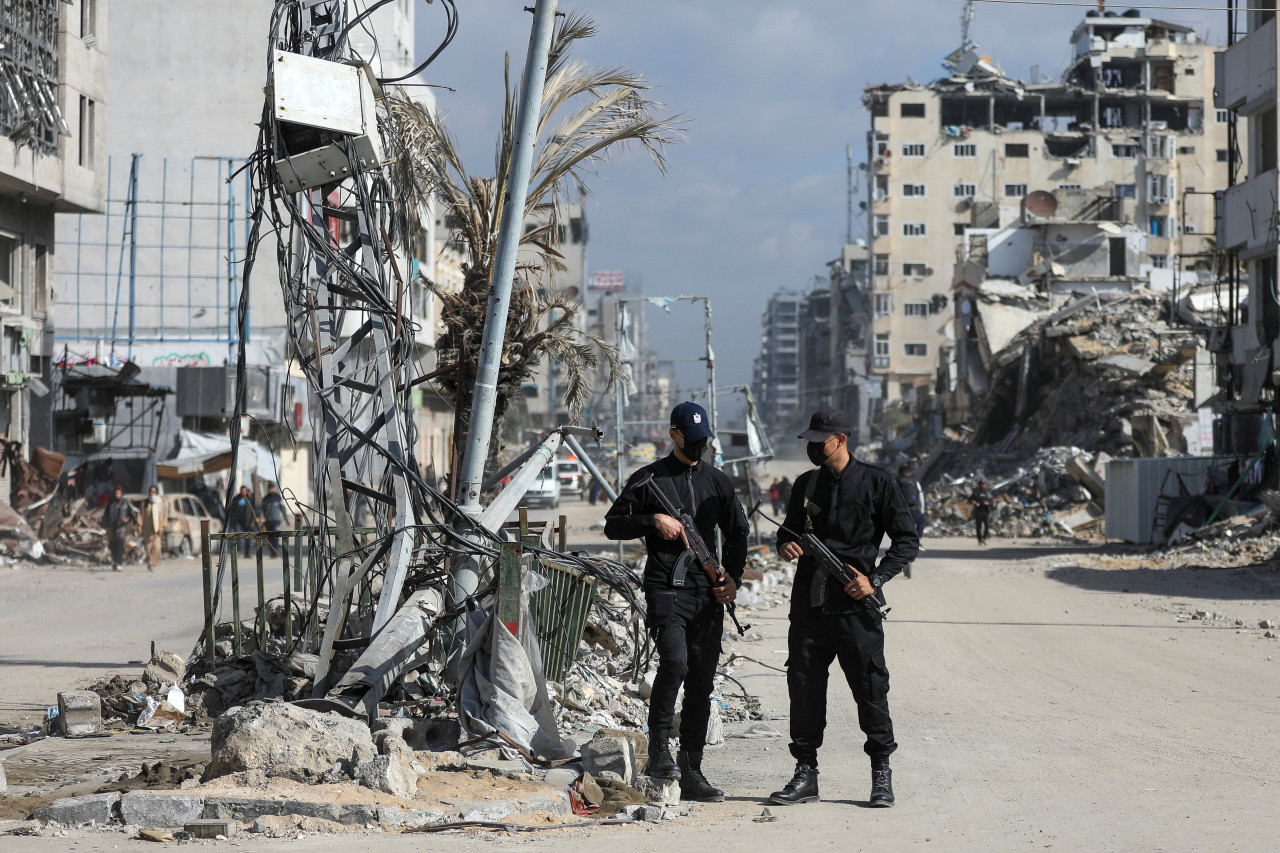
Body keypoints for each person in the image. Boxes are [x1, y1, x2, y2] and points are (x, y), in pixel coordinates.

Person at [768, 408, 919, 809]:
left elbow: (906, 541)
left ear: (841, 439)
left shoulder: (877, 482)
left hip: (855, 607)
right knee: (804, 689)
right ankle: (805, 773)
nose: (814, 448)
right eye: (810, 442)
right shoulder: (805, 484)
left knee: (870, 688)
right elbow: (787, 532)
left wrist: (876, 579)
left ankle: (881, 774)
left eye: (821, 441)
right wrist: (785, 545)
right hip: (809, 608)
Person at [605, 401, 749, 803]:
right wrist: (652, 520)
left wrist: (732, 578)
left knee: (702, 681)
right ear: (674, 435)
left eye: (705, 440)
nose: (700, 447)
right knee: (676, 663)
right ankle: (658, 753)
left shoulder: (718, 482)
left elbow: (738, 534)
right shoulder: (649, 478)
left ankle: (692, 769)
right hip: (665, 588)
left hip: (706, 593)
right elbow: (612, 524)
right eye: (693, 439)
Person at [896, 464, 926, 576]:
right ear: (909, 473)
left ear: (899, 473)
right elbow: (921, 496)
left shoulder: (894, 481)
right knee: (922, 521)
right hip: (913, 510)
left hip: (899, 511)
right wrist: (922, 510)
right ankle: (917, 540)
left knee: (898, 532)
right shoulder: (914, 482)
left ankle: (898, 549)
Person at [102, 486, 135, 571]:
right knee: (112, 546)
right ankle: (115, 562)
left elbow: (131, 514)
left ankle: (119, 563)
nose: (117, 495)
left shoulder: (125, 502)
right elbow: (106, 515)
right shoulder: (111, 503)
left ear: (121, 494)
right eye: (116, 493)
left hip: (121, 528)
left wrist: (127, 519)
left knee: (120, 546)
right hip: (111, 528)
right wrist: (103, 524)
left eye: (119, 493)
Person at [140, 486, 167, 571]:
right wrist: (139, 526)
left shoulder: (160, 503)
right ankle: (150, 563)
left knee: (157, 548)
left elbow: (164, 516)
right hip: (147, 530)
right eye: (151, 491)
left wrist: (162, 527)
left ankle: (152, 563)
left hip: (157, 530)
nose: (152, 493)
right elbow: (140, 516)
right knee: (148, 548)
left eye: (154, 491)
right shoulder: (145, 504)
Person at [228, 486, 258, 557]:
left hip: (247, 522)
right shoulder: (236, 499)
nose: (243, 492)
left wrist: (252, 522)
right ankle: (238, 552)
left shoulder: (250, 499)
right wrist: (232, 521)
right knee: (238, 536)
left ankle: (247, 553)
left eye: (244, 491)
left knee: (248, 538)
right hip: (238, 521)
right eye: (242, 491)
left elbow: (253, 512)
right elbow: (232, 511)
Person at [261, 483, 287, 557]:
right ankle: (271, 552)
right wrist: (261, 519)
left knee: (275, 535)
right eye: (269, 488)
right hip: (268, 520)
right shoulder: (265, 499)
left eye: (272, 488)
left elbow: (283, 509)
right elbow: (262, 510)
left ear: (274, 489)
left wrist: (286, 519)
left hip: (276, 520)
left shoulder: (278, 498)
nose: (270, 490)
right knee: (269, 536)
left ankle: (275, 551)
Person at [971, 480, 993, 546]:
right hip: (978, 511)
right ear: (979, 485)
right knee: (978, 526)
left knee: (987, 525)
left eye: (984, 484)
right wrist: (974, 502)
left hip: (986, 511)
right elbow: (971, 499)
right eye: (982, 484)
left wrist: (988, 503)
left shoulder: (988, 493)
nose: (983, 486)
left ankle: (985, 538)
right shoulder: (975, 492)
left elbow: (991, 501)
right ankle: (979, 540)